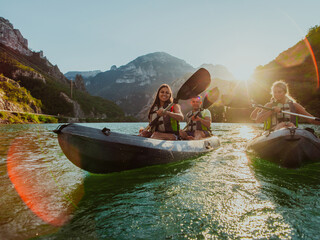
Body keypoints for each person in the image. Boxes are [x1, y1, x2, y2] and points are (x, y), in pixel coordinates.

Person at [256, 80, 320, 130]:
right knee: (283, 124)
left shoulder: (295, 105)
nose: (276, 94)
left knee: (290, 124)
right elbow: (258, 120)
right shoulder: (269, 105)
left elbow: (311, 119)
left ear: (285, 92)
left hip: (292, 129)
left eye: (279, 92)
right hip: (273, 131)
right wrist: (271, 111)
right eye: (275, 92)